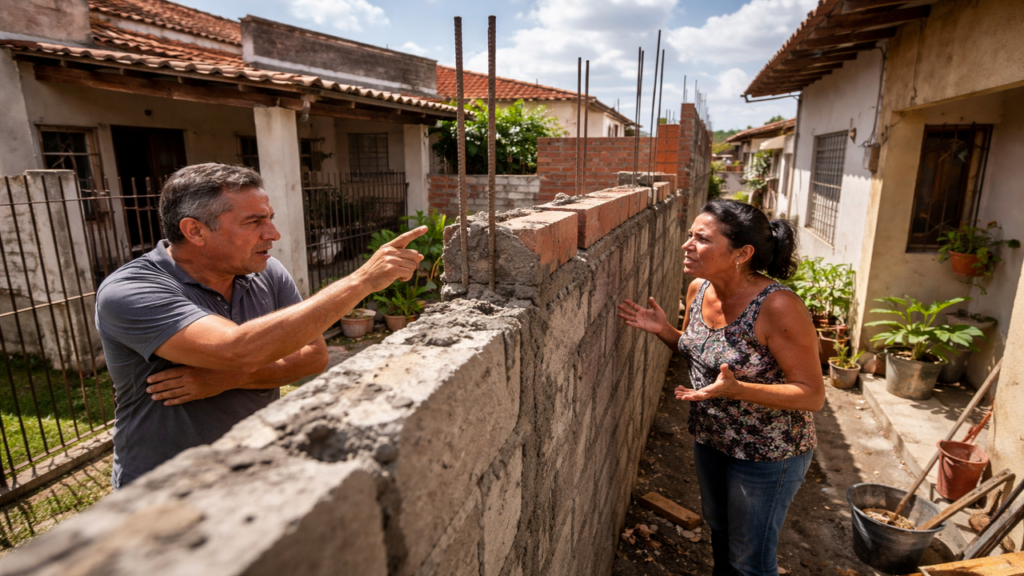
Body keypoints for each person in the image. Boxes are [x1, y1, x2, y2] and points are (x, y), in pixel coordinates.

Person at [96, 163, 426, 488]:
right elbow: (235, 350)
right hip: (164, 486)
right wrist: (361, 282)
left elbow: (313, 356)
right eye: (254, 221)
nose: (273, 233)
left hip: (251, 466)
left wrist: (230, 377)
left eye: (269, 219)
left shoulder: (266, 271)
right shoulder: (131, 291)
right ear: (194, 230)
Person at [617, 199, 823, 576]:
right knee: (721, 535)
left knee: (751, 561)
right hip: (711, 440)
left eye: (701, 238)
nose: (687, 245)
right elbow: (704, 355)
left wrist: (737, 390)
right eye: (690, 235)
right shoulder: (700, 289)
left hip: (766, 454)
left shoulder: (778, 306)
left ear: (742, 253)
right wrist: (666, 332)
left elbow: (811, 394)